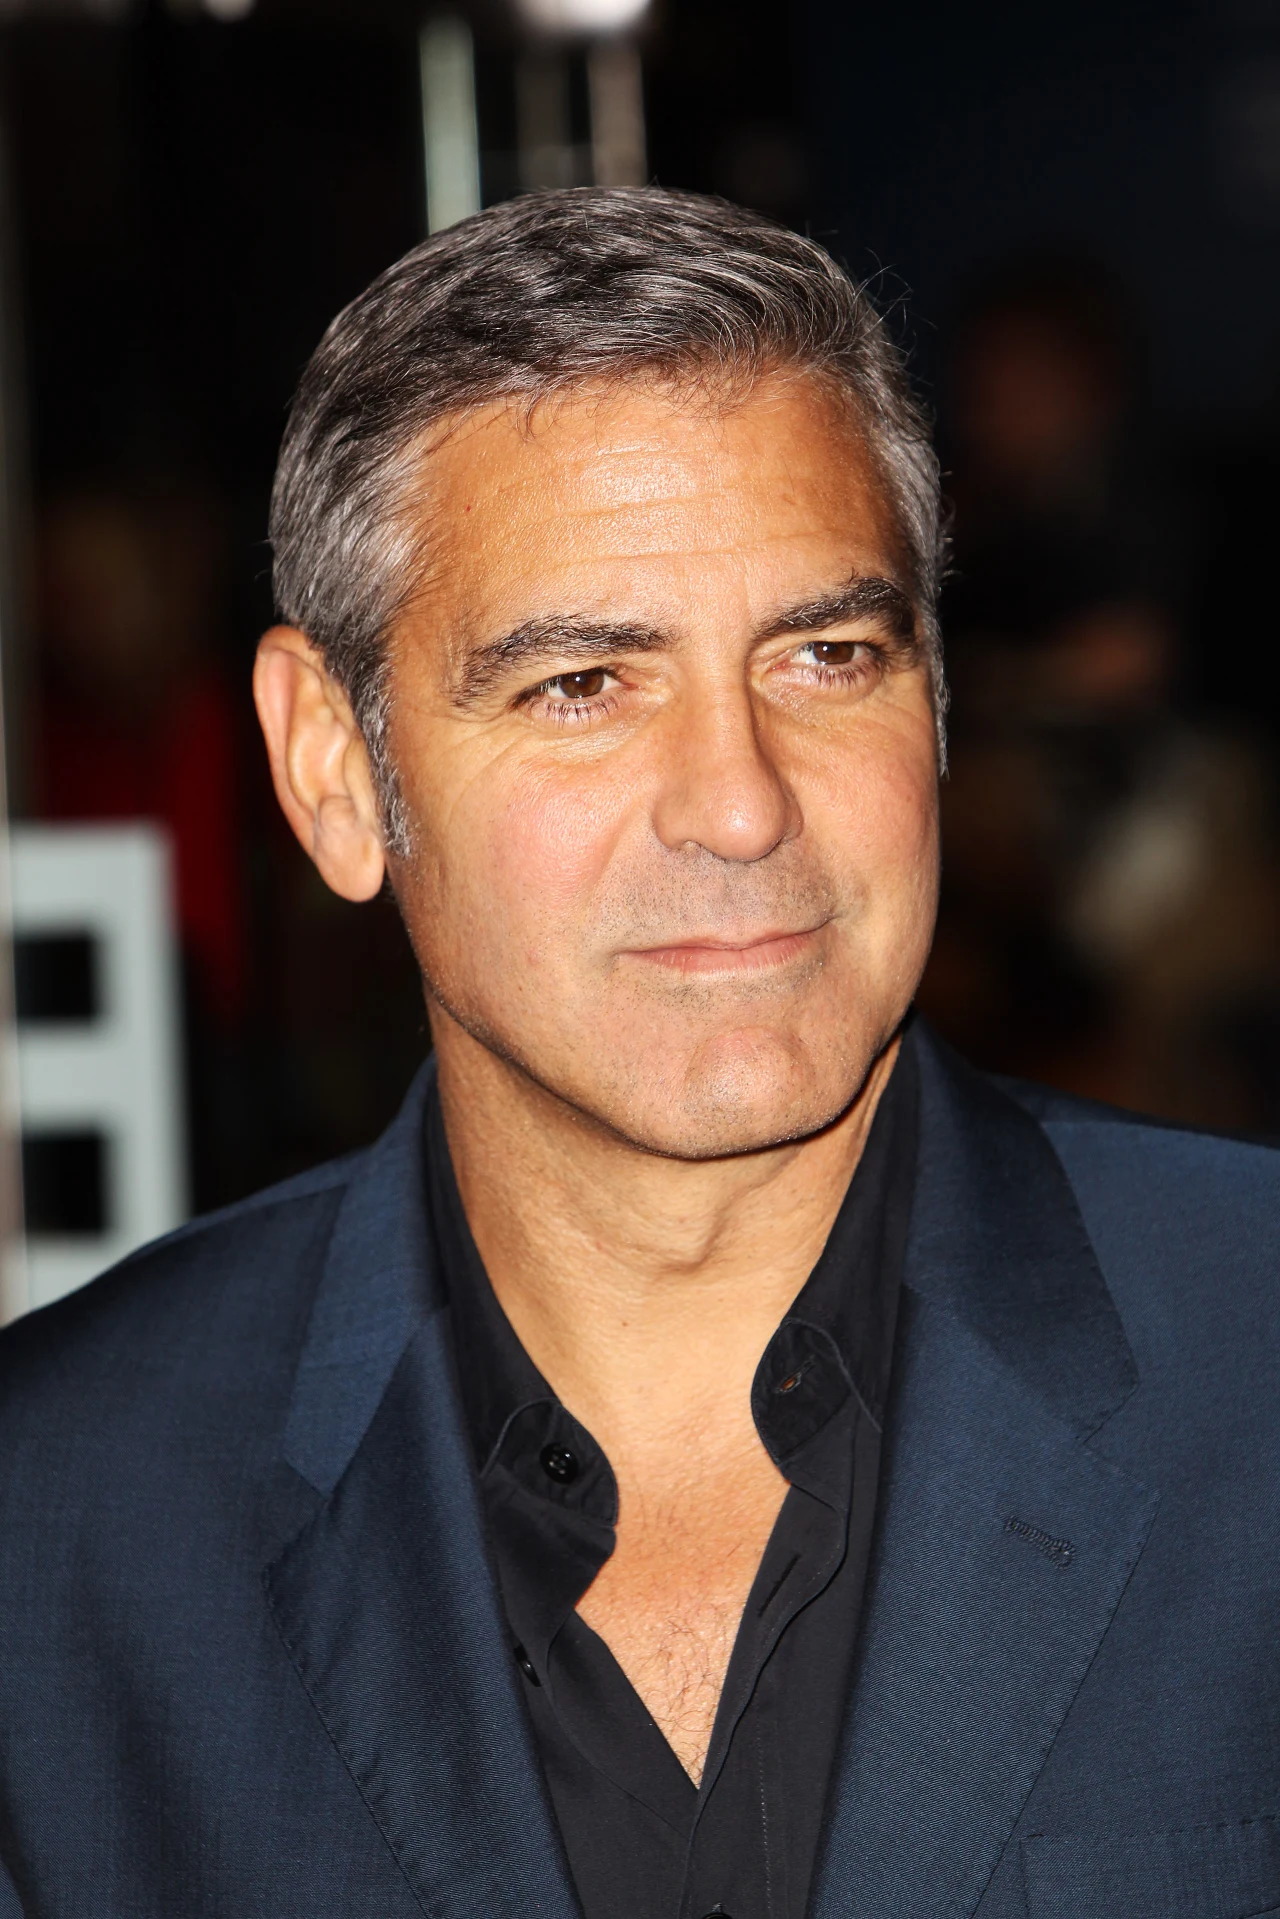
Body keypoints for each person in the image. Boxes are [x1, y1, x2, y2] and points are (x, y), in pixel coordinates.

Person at [1, 188, 1277, 1919]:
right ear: (334, 773)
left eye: (827, 655)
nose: (740, 803)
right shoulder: (58, 1517)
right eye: (585, 684)